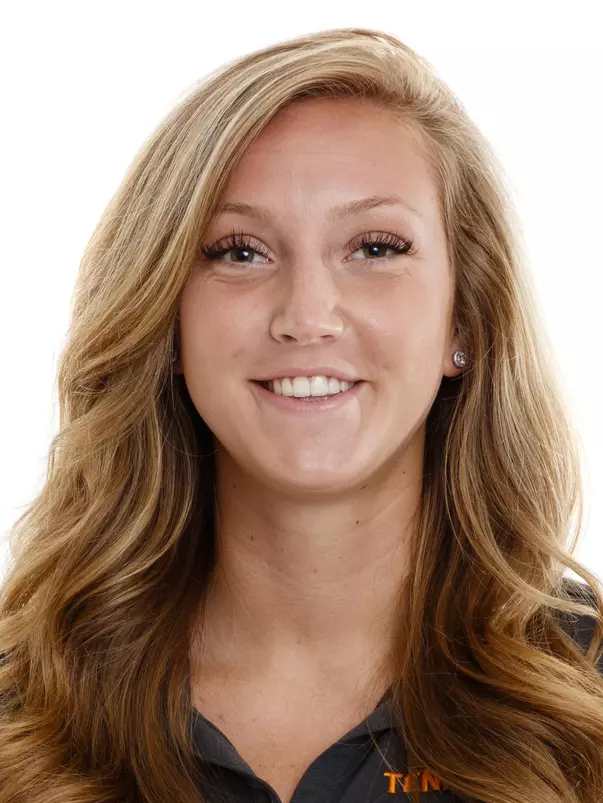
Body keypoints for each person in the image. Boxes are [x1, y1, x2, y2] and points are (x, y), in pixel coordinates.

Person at [1, 26, 603, 803]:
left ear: (465, 321)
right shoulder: (24, 713)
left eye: (376, 247)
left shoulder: (586, 699)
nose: (307, 315)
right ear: (168, 324)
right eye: (239, 251)